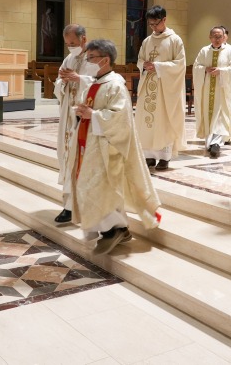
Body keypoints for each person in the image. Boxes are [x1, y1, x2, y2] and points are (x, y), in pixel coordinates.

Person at [72, 39, 162, 255]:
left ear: (105, 60)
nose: (87, 62)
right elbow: (89, 108)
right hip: (91, 144)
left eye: (91, 58)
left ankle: (116, 229)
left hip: (108, 147)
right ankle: (113, 229)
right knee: (94, 187)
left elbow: (120, 118)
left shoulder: (115, 85)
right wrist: (81, 112)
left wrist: (93, 115)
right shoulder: (95, 82)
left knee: (102, 188)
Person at [52, 24, 99, 223]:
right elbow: (58, 83)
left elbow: (100, 84)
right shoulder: (69, 59)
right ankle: (69, 204)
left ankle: (82, 205)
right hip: (68, 117)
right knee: (67, 158)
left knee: (81, 160)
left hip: (84, 117)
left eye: (72, 43)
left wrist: (79, 79)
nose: (70, 47)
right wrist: (62, 81)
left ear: (83, 39)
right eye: (67, 44)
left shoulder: (95, 57)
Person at [135, 5, 187, 171]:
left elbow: (180, 65)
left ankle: (164, 157)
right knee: (147, 122)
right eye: (150, 24)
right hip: (148, 88)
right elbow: (140, 60)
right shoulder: (147, 41)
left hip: (166, 89)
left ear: (164, 19)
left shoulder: (175, 40)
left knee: (163, 121)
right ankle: (149, 156)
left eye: (155, 23)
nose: (153, 27)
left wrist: (157, 66)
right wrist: (144, 65)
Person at [192, 26, 231, 158]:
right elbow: (196, 66)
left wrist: (221, 71)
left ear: (224, 37)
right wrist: (204, 69)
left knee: (221, 116)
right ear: (210, 37)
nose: (217, 39)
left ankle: (216, 143)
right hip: (207, 90)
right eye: (214, 37)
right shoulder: (204, 51)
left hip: (224, 90)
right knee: (208, 114)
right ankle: (210, 142)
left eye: (219, 37)